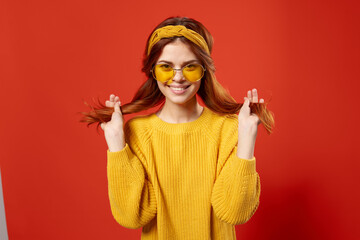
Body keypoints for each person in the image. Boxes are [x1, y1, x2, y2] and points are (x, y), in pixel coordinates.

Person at [80, 16, 274, 240]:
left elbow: (235, 212)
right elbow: (131, 217)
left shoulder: (228, 128)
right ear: (153, 71)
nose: (178, 77)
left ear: (204, 70)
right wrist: (115, 144)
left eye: (190, 66)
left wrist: (248, 139)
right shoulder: (138, 132)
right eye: (166, 67)